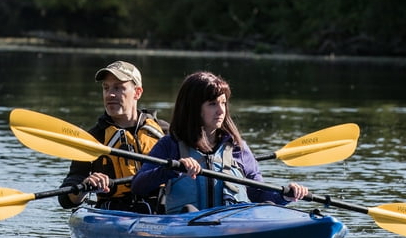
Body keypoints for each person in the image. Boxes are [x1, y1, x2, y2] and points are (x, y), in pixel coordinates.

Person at [130, 70, 308, 214]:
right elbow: (138, 186)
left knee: (267, 205)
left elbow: (258, 192)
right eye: (213, 104)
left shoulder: (238, 148)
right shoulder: (171, 145)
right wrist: (171, 169)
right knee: (189, 210)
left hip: (232, 225)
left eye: (223, 103)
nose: (221, 110)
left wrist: (285, 195)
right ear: (193, 108)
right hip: (186, 224)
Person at [58, 60, 168, 211]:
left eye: (118, 88)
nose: (110, 94)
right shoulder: (92, 139)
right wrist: (85, 186)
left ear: (137, 92)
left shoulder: (164, 132)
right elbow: (66, 200)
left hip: (162, 212)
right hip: (115, 214)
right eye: (106, 88)